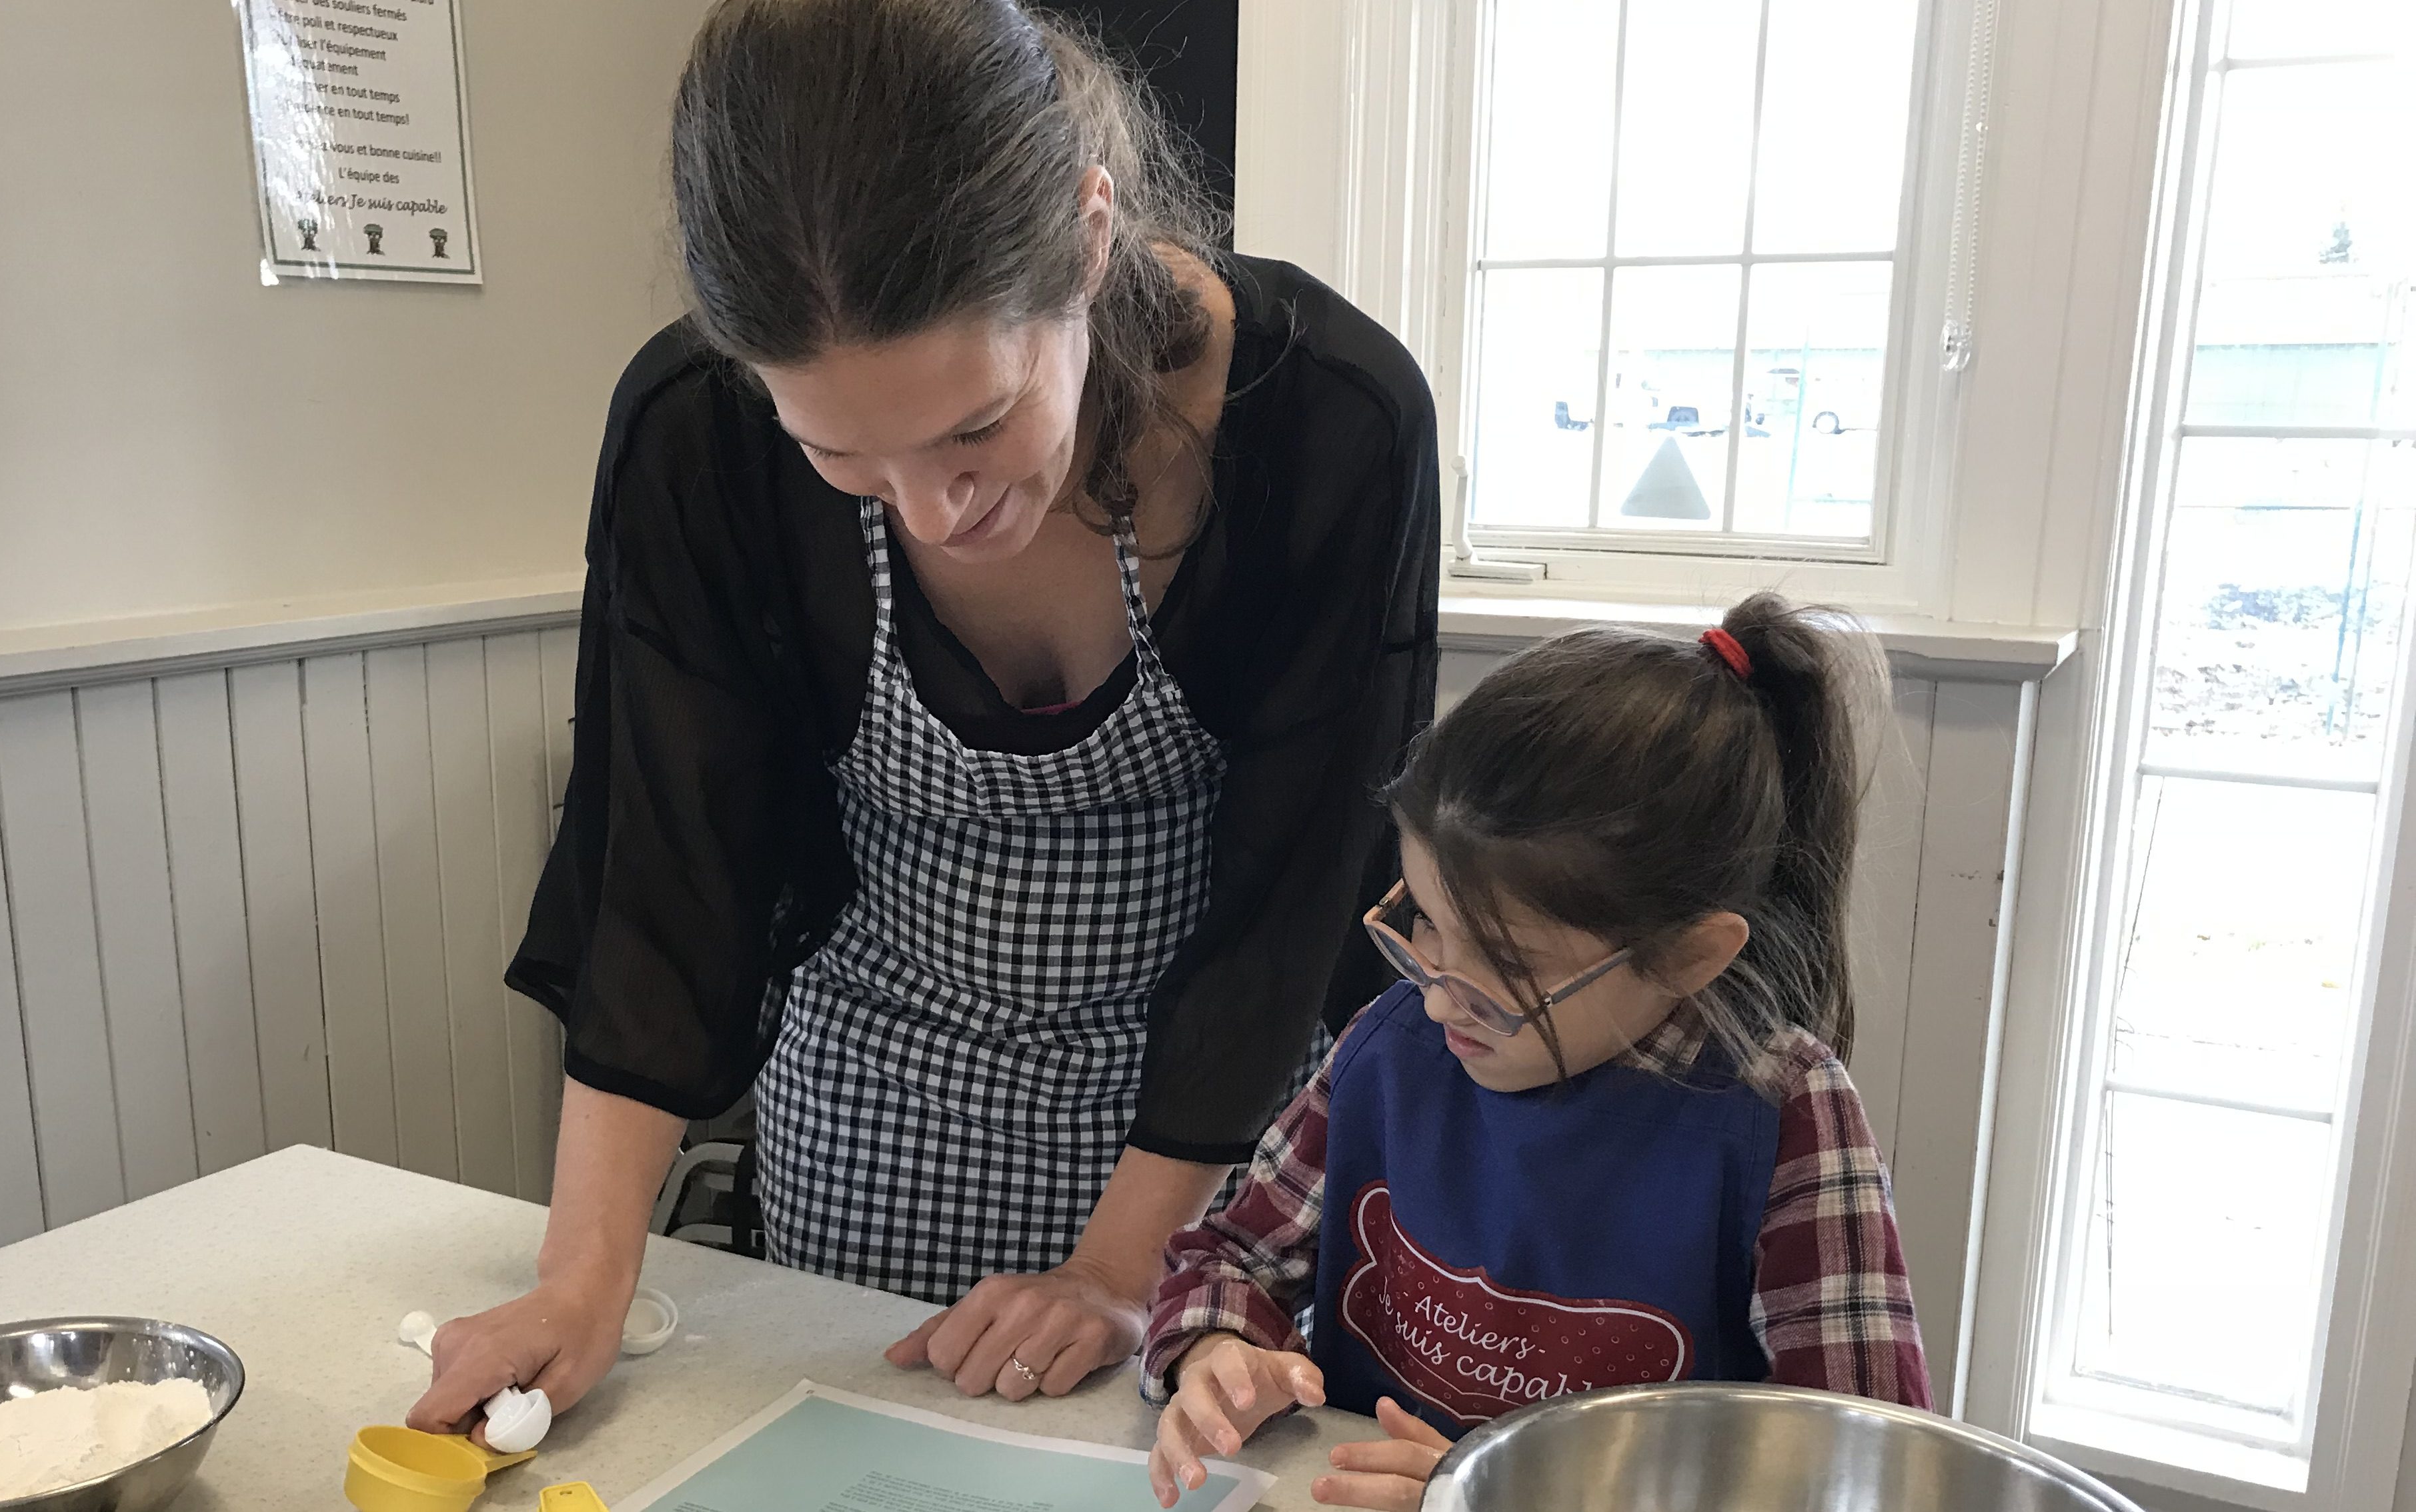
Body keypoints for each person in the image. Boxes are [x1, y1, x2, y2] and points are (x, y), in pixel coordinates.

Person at [407, 0, 1438, 1435]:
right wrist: (583, 1276)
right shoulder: (697, 434)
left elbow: (1298, 903)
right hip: (869, 1128)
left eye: (976, 425)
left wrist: (1123, 1269)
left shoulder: (1331, 418)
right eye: (840, 453)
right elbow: (663, 874)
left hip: (1213, 1183)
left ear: (1088, 239)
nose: (939, 516)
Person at [1141, 595, 1933, 1511]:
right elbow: (1229, 1258)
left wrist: (1498, 1496)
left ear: (1688, 956)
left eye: (1509, 967)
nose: (1438, 994)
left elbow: (1859, 1473)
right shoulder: (1396, 1048)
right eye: (1425, 925)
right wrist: (1218, 1356)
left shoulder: (1781, 1117)